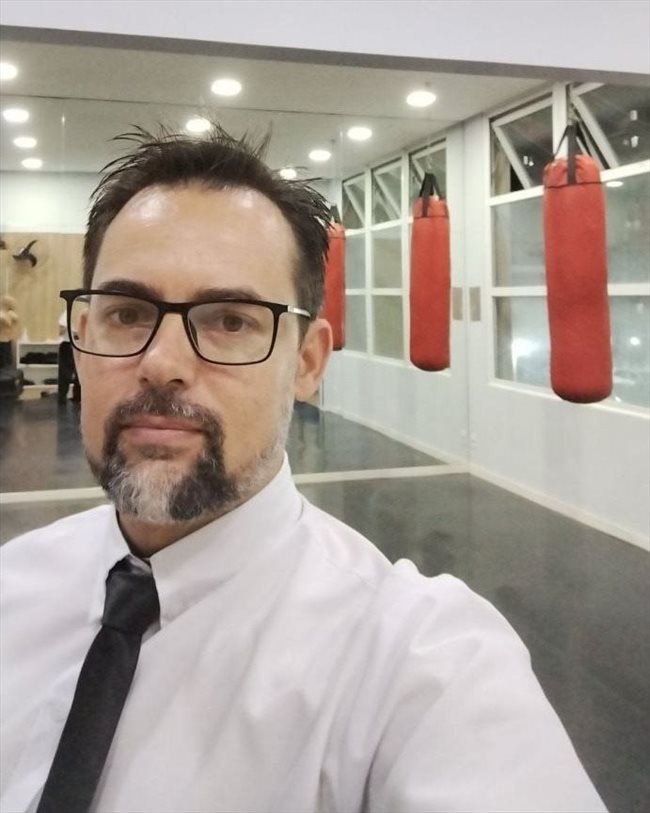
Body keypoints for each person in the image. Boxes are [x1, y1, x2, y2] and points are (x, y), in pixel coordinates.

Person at [0, 124, 607, 813]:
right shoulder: (15, 582)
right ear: (82, 338)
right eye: (127, 313)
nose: (162, 362)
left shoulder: (418, 662)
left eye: (230, 320)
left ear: (309, 363)